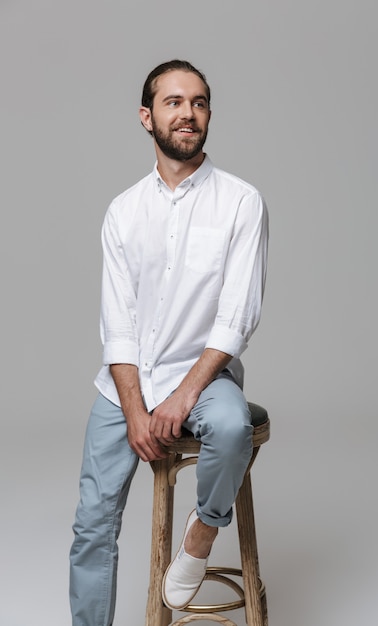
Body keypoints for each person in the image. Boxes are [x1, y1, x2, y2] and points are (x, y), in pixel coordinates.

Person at [69, 59, 269, 626]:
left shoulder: (241, 202)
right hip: (126, 385)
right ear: (146, 116)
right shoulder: (123, 212)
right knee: (92, 524)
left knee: (232, 428)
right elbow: (119, 323)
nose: (188, 113)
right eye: (174, 102)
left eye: (199, 102)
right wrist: (135, 408)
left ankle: (200, 538)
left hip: (204, 378)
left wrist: (182, 396)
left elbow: (238, 315)